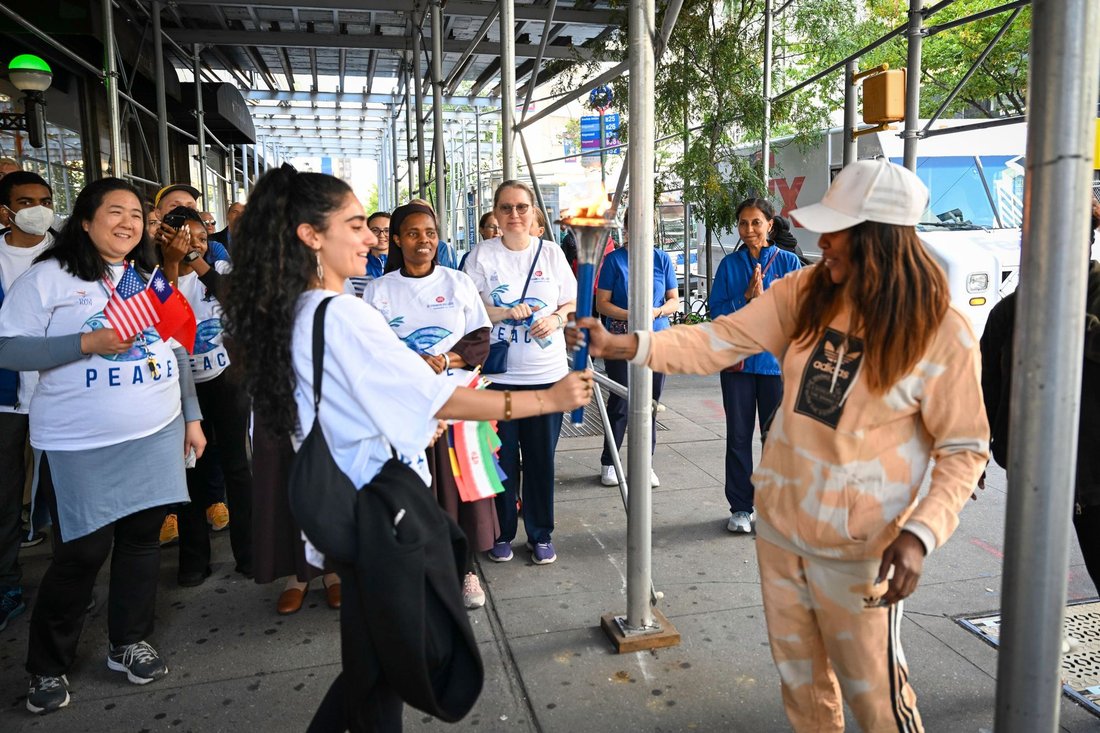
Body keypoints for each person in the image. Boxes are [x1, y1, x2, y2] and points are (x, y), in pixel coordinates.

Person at [569, 160, 989, 732]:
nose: (823, 242)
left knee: (878, 699)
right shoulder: (809, 291)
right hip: (782, 527)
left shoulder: (940, 329)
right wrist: (625, 345)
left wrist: (921, 534)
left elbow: (964, 449)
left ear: (880, 238)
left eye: (837, 231)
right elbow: (720, 339)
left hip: (861, 548)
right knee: (802, 685)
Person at [221, 165, 590, 731]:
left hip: (341, 505)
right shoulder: (343, 314)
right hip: (376, 511)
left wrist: (412, 419)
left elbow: (354, 402)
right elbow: (437, 396)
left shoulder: (295, 310)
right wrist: (547, 398)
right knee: (391, 660)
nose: (371, 238)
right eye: (354, 225)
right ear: (310, 235)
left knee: (373, 665)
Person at [0, 177, 205, 715]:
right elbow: (7, 349)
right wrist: (86, 342)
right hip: (80, 442)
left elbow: (173, 350)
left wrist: (191, 416)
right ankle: (47, 665)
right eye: (115, 211)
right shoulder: (48, 277)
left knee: (142, 541)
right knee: (81, 553)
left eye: (136, 214)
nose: (128, 222)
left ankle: (128, 642)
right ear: (86, 221)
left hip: (156, 430)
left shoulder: (142, 279)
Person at [364, 201, 496, 609]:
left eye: (430, 233)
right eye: (413, 233)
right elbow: (370, 348)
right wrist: (412, 364)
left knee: (459, 493)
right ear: (397, 240)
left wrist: (443, 360)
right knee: (411, 493)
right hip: (403, 410)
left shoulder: (458, 282)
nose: (424, 241)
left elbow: (480, 340)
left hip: (454, 403)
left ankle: (465, 570)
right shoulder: (378, 290)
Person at [981, 201, 1100, 591]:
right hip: (1030, 469)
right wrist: (974, 450)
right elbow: (987, 388)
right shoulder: (1008, 312)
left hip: (1092, 477)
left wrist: (1066, 316)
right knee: (1031, 587)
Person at [463, 180, 578, 565]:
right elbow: (469, 309)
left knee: (541, 459)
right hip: (499, 380)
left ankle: (541, 533)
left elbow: (571, 301)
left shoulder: (551, 253)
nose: (514, 215)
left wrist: (556, 319)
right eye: (506, 207)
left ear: (533, 213)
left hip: (547, 377)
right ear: (496, 212)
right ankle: (502, 532)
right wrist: (503, 312)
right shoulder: (481, 255)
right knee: (502, 460)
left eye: (522, 207)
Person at [157, 206, 253, 587]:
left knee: (237, 468)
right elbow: (161, 319)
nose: (195, 244)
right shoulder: (156, 277)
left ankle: (249, 554)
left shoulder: (219, 270)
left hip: (227, 380)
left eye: (202, 238)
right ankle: (193, 560)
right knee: (190, 471)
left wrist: (196, 260)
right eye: (186, 237)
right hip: (181, 387)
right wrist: (171, 263)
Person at [709, 199, 803, 533]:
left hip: (775, 366)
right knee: (737, 437)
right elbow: (716, 313)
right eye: (743, 223)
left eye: (756, 223)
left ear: (770, 225)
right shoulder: (730, 265)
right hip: (737, 365)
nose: (749, 230)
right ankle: (740, 508)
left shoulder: (789, 262)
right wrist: (746, 298)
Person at [0, 171, 56, 633]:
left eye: (45, 199)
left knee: (65, 497)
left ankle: (70, 583)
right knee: (3, 495)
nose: (38, 209)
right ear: (6, 212)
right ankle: (7, 584)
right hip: (5, 398)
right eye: (25, 201)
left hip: (60, 396)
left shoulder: (69, 256)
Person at [594, 210, 679, 488]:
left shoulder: (661, 259)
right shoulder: (614, 260)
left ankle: (645, 463)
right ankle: (610, 462)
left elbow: (673, 300)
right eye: (635, 224)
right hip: (622, 340)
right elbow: (602, 304)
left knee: (650, 403)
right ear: (627, 227)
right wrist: (632, 314)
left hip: (656, 339)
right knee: (621, 401)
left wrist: (655, 312)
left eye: (647, 224)